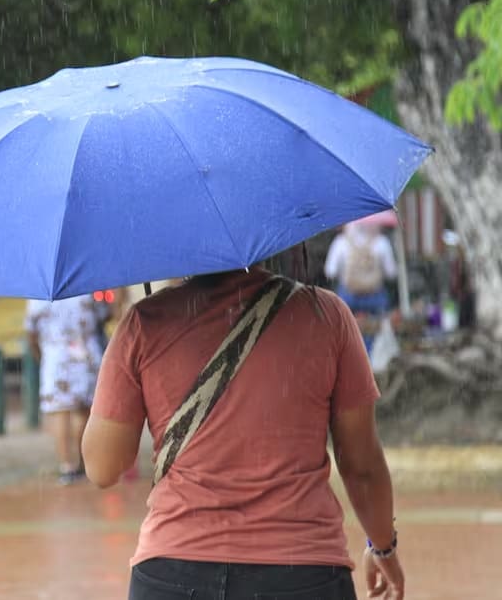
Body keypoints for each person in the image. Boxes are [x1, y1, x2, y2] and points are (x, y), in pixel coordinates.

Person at [83, 264, 404, 599]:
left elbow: (103, 467)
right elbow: (361, 465)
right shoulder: (326, 314)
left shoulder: (143, 323)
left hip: (173, 572)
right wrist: (383, 547)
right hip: (303, 573)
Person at [25, 294, 104, 485]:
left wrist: (40, 352)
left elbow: (30, 331)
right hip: (84, 352)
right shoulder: (87, 288)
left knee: (59, 410)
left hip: (55, 355)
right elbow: (103, 315)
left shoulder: (39, 296)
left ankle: (67, 465)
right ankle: (83, 461)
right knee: (83, 410)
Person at [324, 221, 398, 351]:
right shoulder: (381, 242)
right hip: (375, 298)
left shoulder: (340, 242)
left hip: (348, 297)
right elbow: (391, 273)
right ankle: (370, 359)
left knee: (346, 331)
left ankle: (352, 357)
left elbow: (330, 271)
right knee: (375, 332)